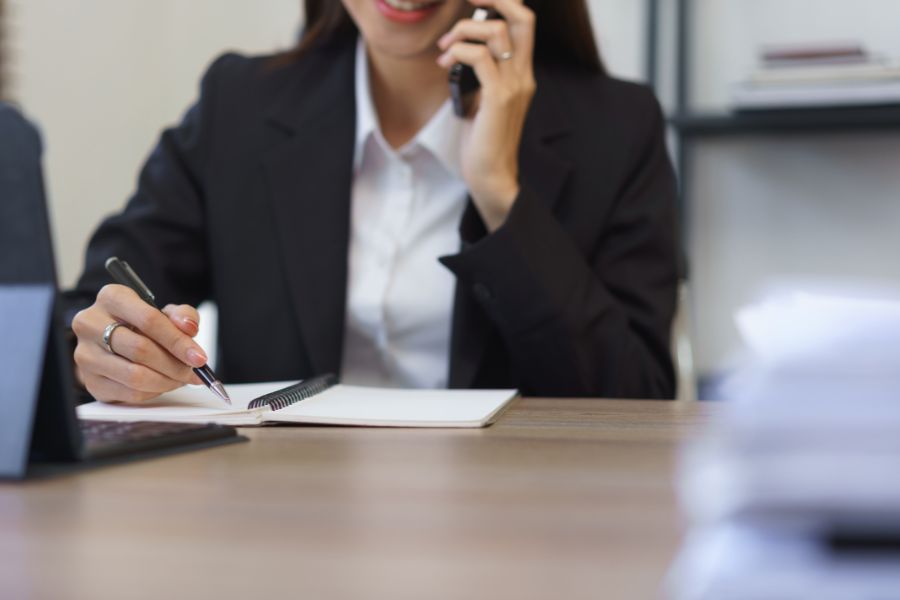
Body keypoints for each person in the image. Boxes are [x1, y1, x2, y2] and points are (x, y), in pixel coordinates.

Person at [67, 0, 680, 403]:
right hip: (279, 518)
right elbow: (91, 309)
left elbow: (637, 401)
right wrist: (105, 348)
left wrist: (499, 192)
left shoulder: (617, 128)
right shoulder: (240, 104)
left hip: (513, 529)